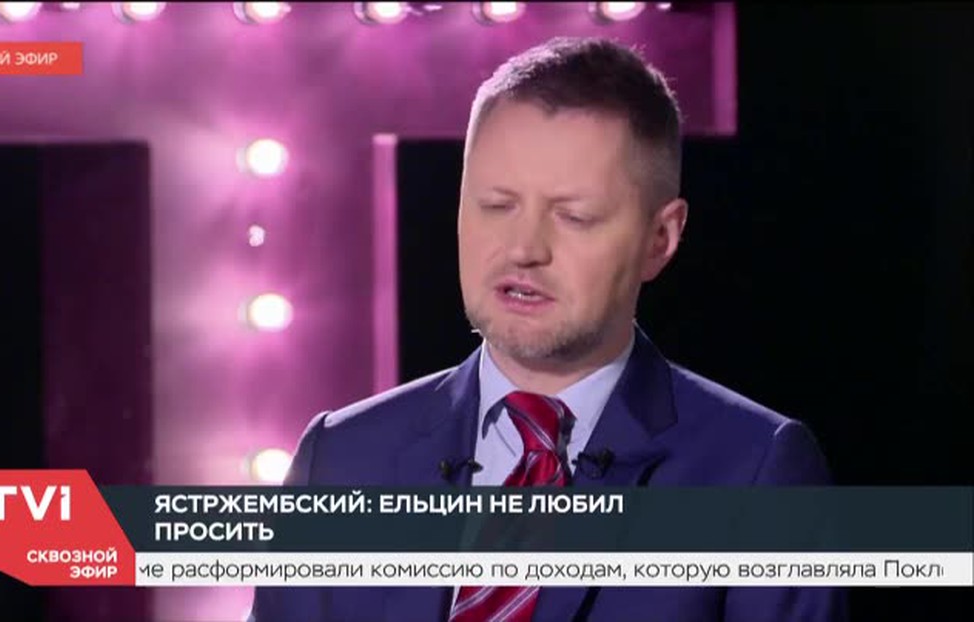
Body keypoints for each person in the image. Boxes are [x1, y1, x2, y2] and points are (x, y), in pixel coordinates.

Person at [251, 36, 845, 622]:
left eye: (573, 216)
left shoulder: (755, 474)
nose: (524, 249)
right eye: (496, 205)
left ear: (660, 238)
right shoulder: (340, 457)